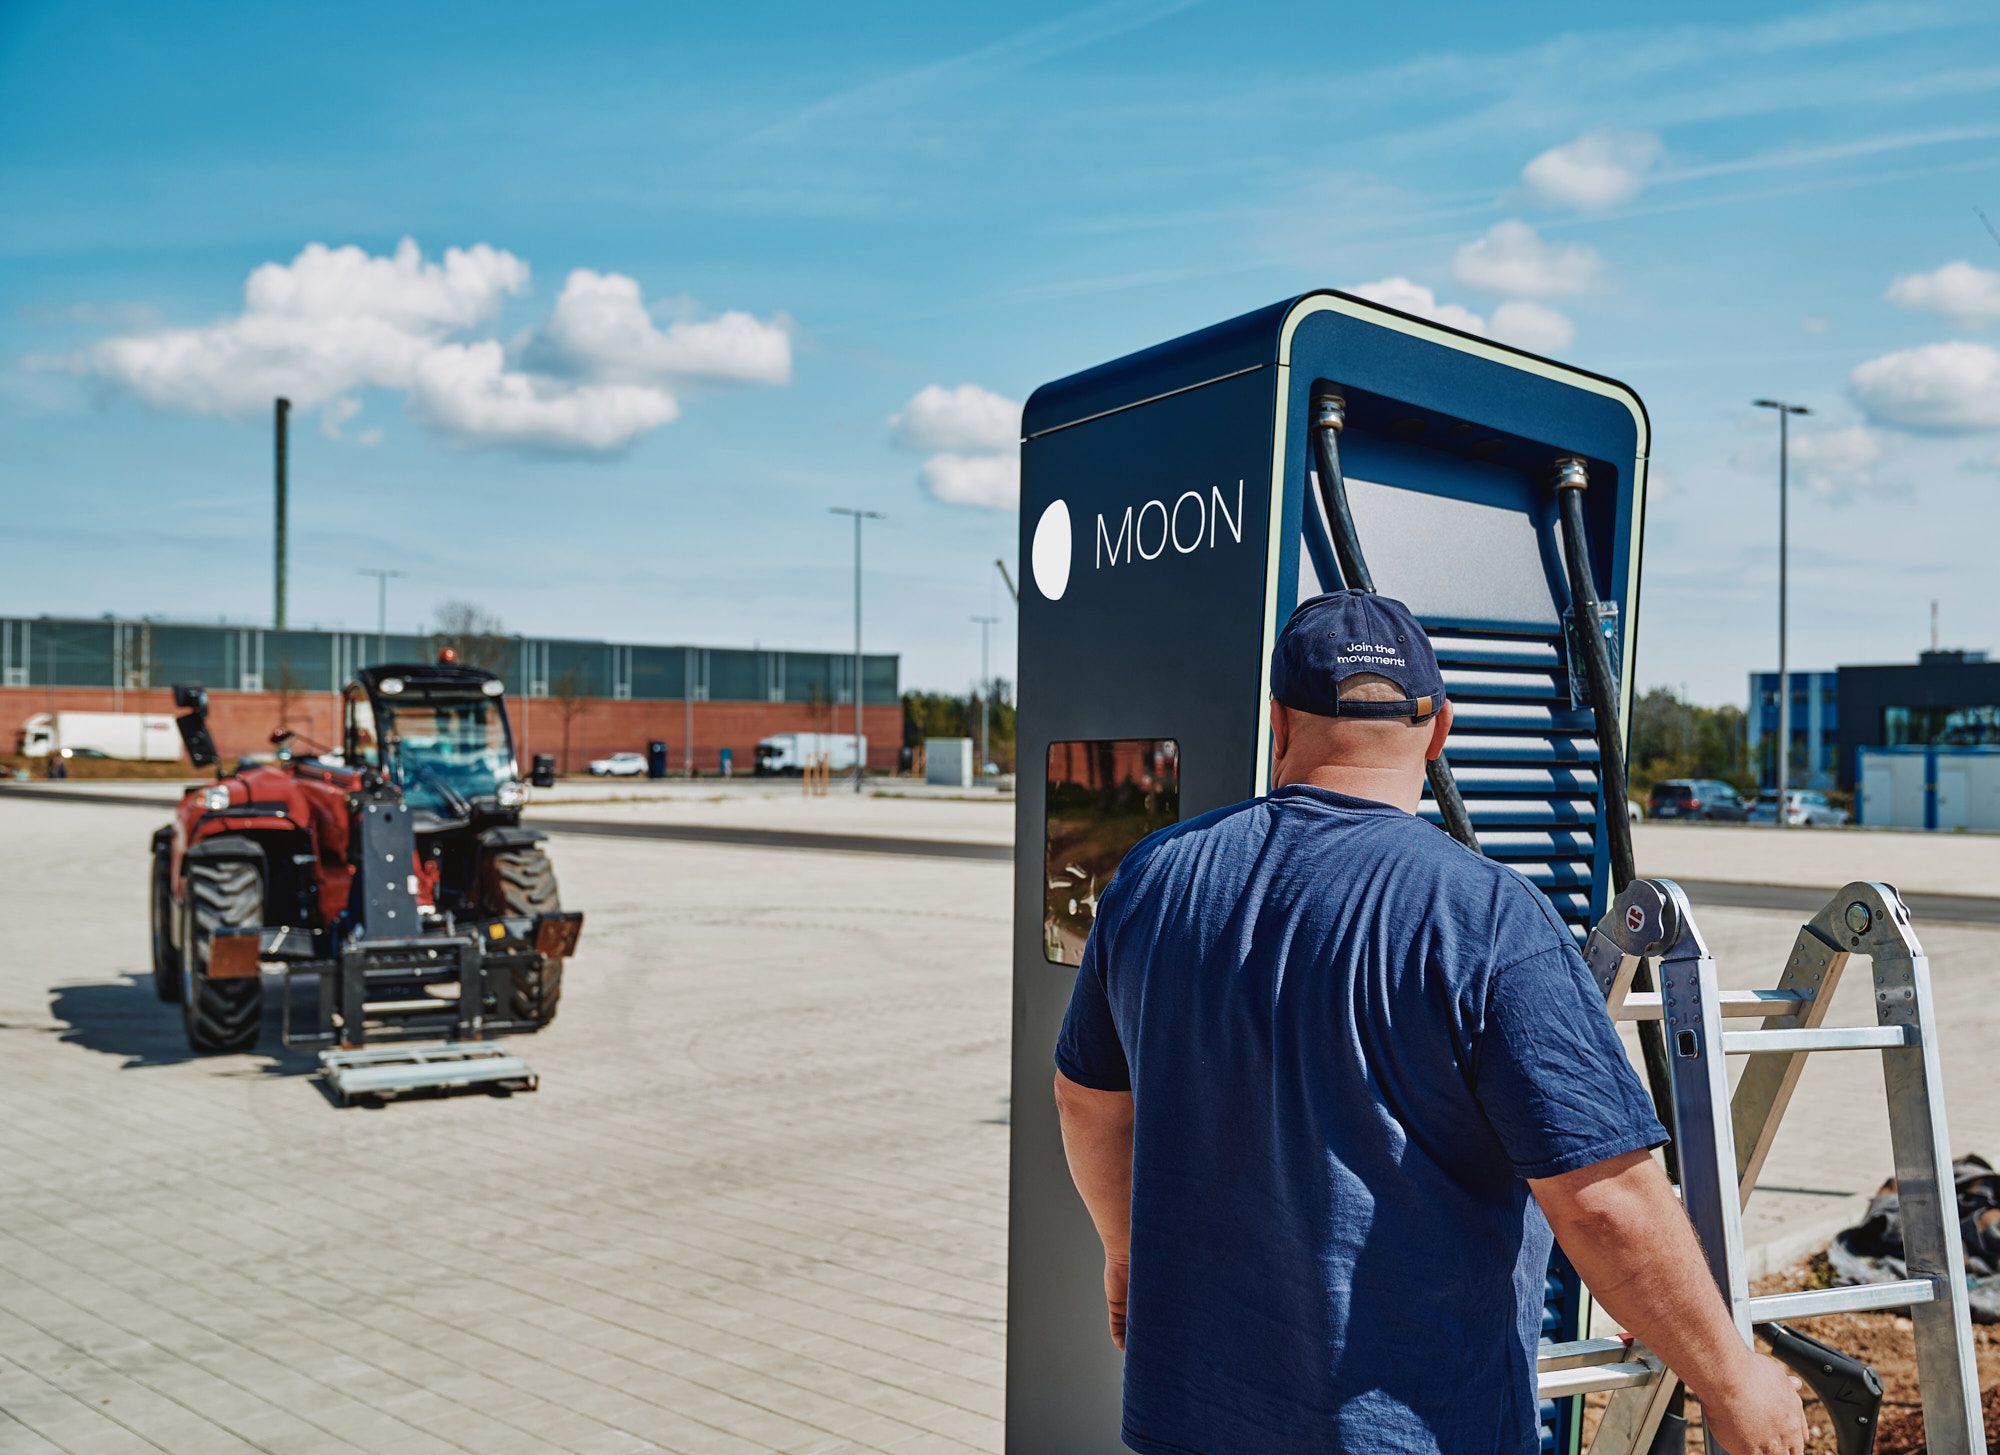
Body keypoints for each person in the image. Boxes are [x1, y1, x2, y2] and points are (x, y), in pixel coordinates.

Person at [1053, 590, 1806, 1455]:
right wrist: (1734, 1381)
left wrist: (1125, 1248)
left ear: (1277, 724)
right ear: (1440, 730)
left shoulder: (1155, 877)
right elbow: (1602, 1203)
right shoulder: (1487, 918)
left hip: (1186, 1417)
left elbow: (1087, 1103)